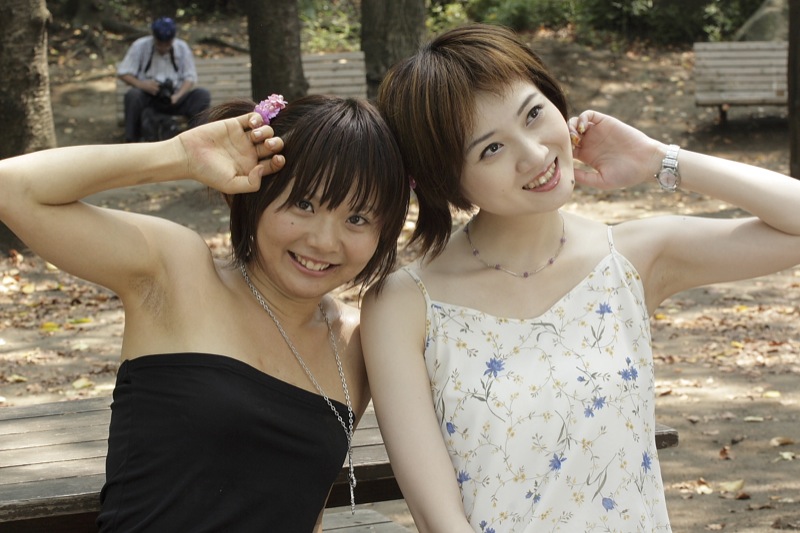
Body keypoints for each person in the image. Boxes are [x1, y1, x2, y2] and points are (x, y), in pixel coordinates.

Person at [361, 23, 800, 532]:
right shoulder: (404, 304)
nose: (534, 154)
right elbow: (439, 519)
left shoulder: (630, 258)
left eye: (533, 114)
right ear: (446, 180)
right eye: (490, 149)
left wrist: (657, 159)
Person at [0, 94, 409, 531]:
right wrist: (178, 155)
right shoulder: (175, 271)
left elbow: (304, 504)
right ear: (259, 193)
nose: (324, 241)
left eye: (357, 219)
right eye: (303, 204)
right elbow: (11, 187)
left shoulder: (356, 340)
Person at [117, 17, 211, 142]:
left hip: (175, 98)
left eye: (167, 44)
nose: (163, 48)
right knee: (133, 95)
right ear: (154, 37)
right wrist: (142, 85)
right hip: (150, 98)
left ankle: (197, 139)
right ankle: (131, 140)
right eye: (159, 44)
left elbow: (190, 77)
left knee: (202, 95)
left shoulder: (182, 47)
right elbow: (123, 73)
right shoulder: (140, 46)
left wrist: (178, 95)